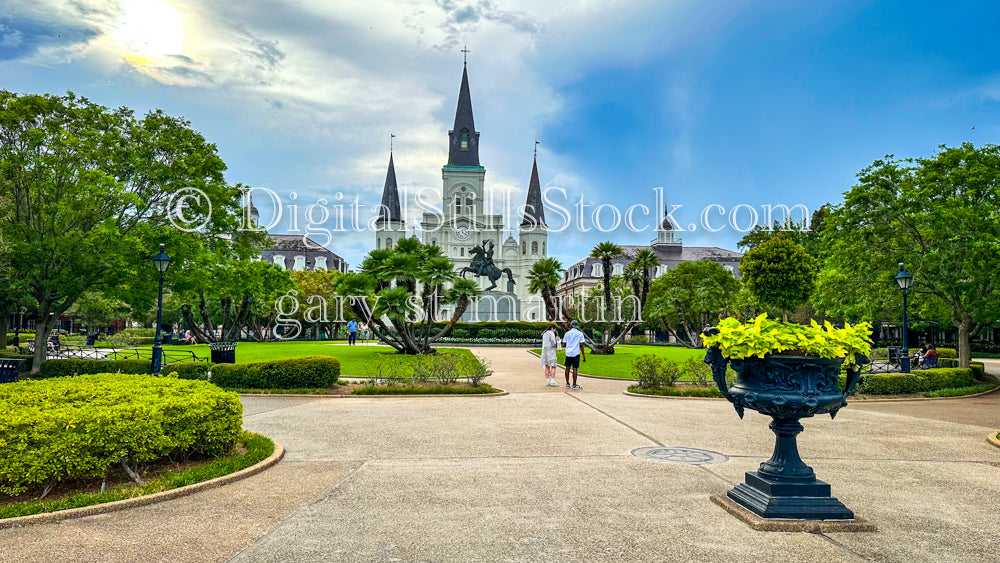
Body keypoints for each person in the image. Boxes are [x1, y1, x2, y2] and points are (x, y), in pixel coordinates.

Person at [562, 320, 587, 390]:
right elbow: (581, 345)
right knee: (575, 368)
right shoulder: (580, 334)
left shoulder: (567, 333)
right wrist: (584, 356)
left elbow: (564, 343)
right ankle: (574, 384)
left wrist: (569, 346)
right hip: (576, 353)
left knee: (567, 368)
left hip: (568, 353)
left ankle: (567, 383)